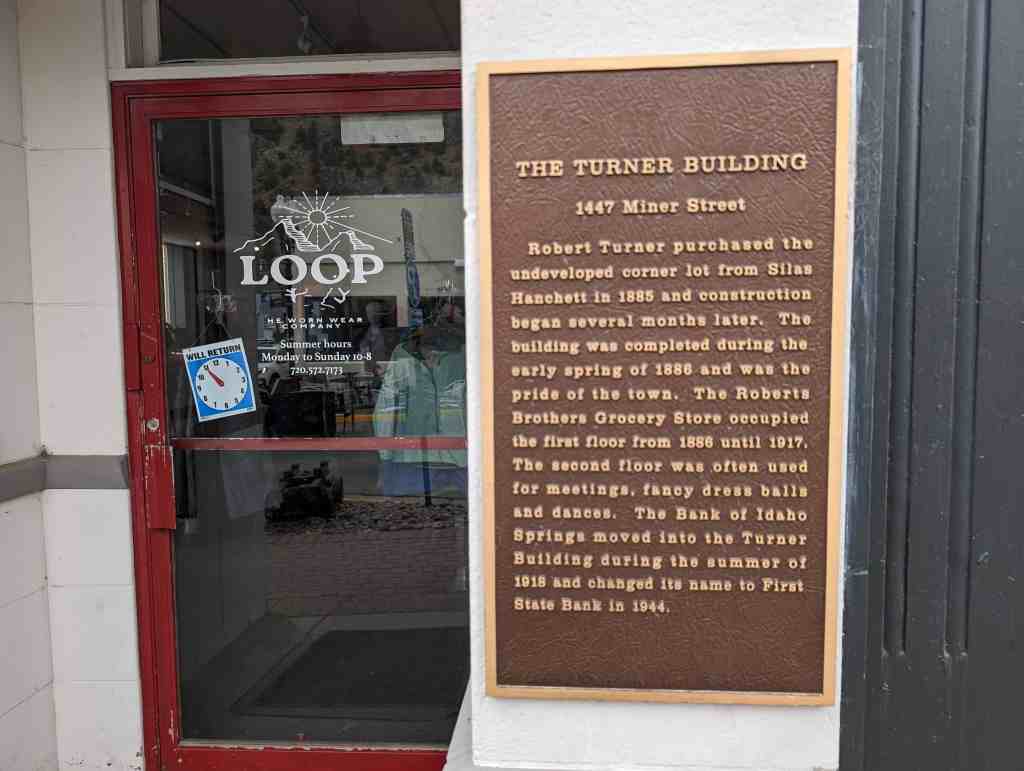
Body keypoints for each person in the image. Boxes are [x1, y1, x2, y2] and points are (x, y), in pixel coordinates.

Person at [372, 321, 466, 497]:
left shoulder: (463, 355)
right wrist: (385, 455)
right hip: (416, 457)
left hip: (454, 456)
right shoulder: (403, 358)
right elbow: (387, 408)